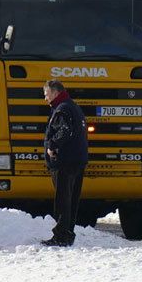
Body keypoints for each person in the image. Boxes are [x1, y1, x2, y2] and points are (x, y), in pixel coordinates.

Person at [41, 80, 88, 247]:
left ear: (54, 92)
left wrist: (52, 146)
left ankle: (60, 236)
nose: (45, 98)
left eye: (46, 94)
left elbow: (64, 130)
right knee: (71, 199)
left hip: (64, 162)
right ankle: (67, 233)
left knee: (63, 200)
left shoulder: (62, 109)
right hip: (77, 160)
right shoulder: (73, 106)